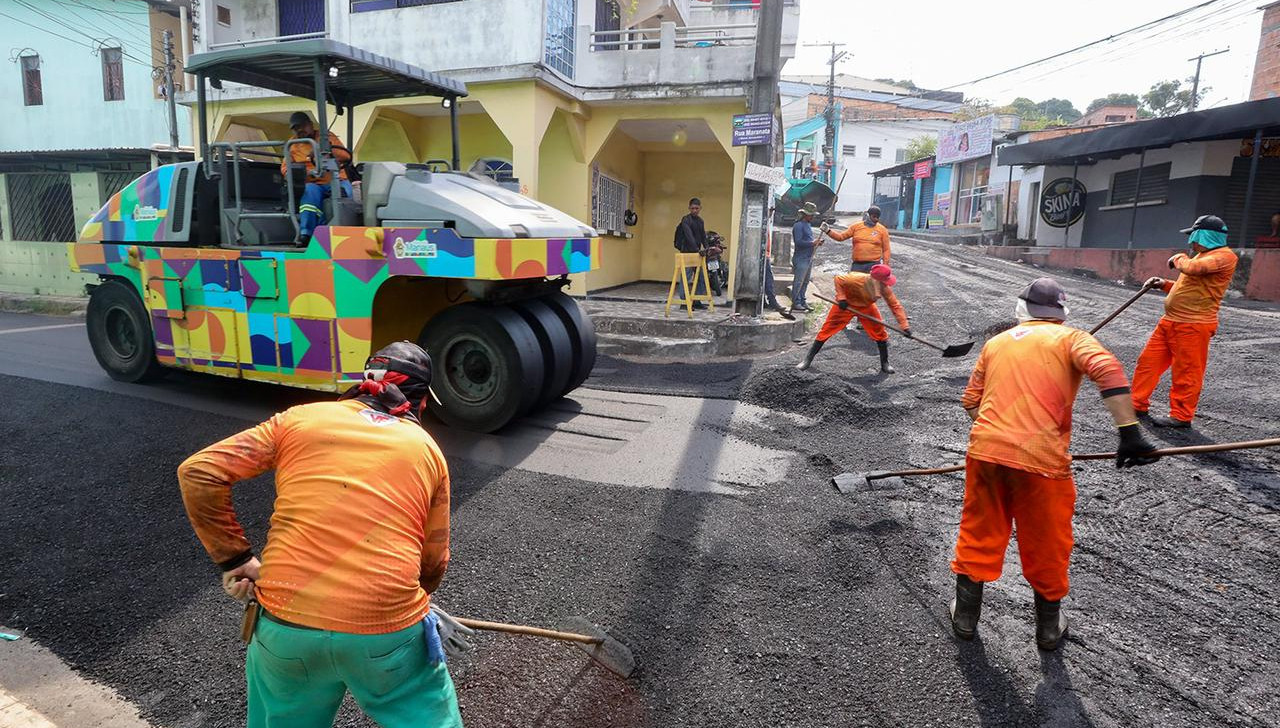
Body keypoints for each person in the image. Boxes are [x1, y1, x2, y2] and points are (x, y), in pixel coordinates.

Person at [178, 342, 467, 728]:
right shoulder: (427, 450)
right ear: (422, 404)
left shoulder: (298, 420)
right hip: (386, 631)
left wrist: (237, 560)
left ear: (362, 385)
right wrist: (417, 603)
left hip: (286, 624)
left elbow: (199, 473)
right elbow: (433, 561)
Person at [951, 278, 1160, 650]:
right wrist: (1130, 433)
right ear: (1060, 314)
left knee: (979, 529)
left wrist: (1003, 435)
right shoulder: (1073, 339)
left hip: (986, 453)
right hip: (1043, 462)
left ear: (1022, 310)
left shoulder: (995, 344)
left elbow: (971, 401)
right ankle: (1048, 629)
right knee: (1047, 541)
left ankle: (965, 617)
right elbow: (1108, 371)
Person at [1131, 214, 1239, 429]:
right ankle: (1136, 404)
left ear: (1205, 236)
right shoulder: (1199, 257)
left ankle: (1181, 416)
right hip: (1169, 322)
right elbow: (1188, 289)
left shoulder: (1224, 257)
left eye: (1194, 236)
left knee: (1187, 372)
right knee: (1147, 363)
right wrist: (1163, 284)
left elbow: (1192, 270)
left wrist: (1177, 258)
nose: (1190, 241)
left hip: (1193, 326)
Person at [795, 263, 909, 373]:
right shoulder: (855, 278)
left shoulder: (884, 288)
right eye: (883, 282)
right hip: (846, 305)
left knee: (879, 333)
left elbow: (895, 305)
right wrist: (842, 298)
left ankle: (885, 363)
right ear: (875, 280)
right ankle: (807, 360)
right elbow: (838, 279)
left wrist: (904, 326)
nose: (885, 285)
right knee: (827, 330)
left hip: (866, 307)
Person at [283, 111, 353, 243]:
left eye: (302, 126)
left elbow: (345, 156)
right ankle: (306, 234)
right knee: (309, 193)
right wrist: (297, 174)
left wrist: (324, 150)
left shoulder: (326, 137)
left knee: (344, 193)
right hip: (313, 183)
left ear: (310, 124)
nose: (299, 130)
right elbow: (285, 168)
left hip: (336, 179)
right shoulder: (292, 145)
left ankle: (341, 233)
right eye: (295, 128)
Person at [821, 205, 891, 272]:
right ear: (868, 215)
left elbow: (886, 249)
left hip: (874, 265)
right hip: (857, 265)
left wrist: (885, 265)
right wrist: (828, 231)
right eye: (874, 217)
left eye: (878, 217)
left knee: (872, 284)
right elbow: (841, 237)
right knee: (854, 284)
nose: (876, 219)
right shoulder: (856, 227)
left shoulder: (882, 230)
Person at [673, 197, 710, 309]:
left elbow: (703, 236)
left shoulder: (700, 221)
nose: (694, 210)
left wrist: (707, 247)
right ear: (689, 208)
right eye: (692, 208)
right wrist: (697, 249)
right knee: (686, 277)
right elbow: (689, 236)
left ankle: (697, 301)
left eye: (697, 208)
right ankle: (684, 302)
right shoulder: (686, 220)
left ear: (700, 208)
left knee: (700, 276)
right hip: (686, 252)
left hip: (697, 253)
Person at [790, 202, 821, 312]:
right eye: (811, 215)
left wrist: (816, 243)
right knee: (799, 281)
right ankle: (796, 302)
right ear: (805, 214)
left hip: (808, 257)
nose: (812, 217)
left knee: (806, 281)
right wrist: (812, 243)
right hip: (801, 258)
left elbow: (809, 240)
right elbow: (798, 242)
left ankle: (802, 300)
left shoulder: (808, 225)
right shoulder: (798, 225)